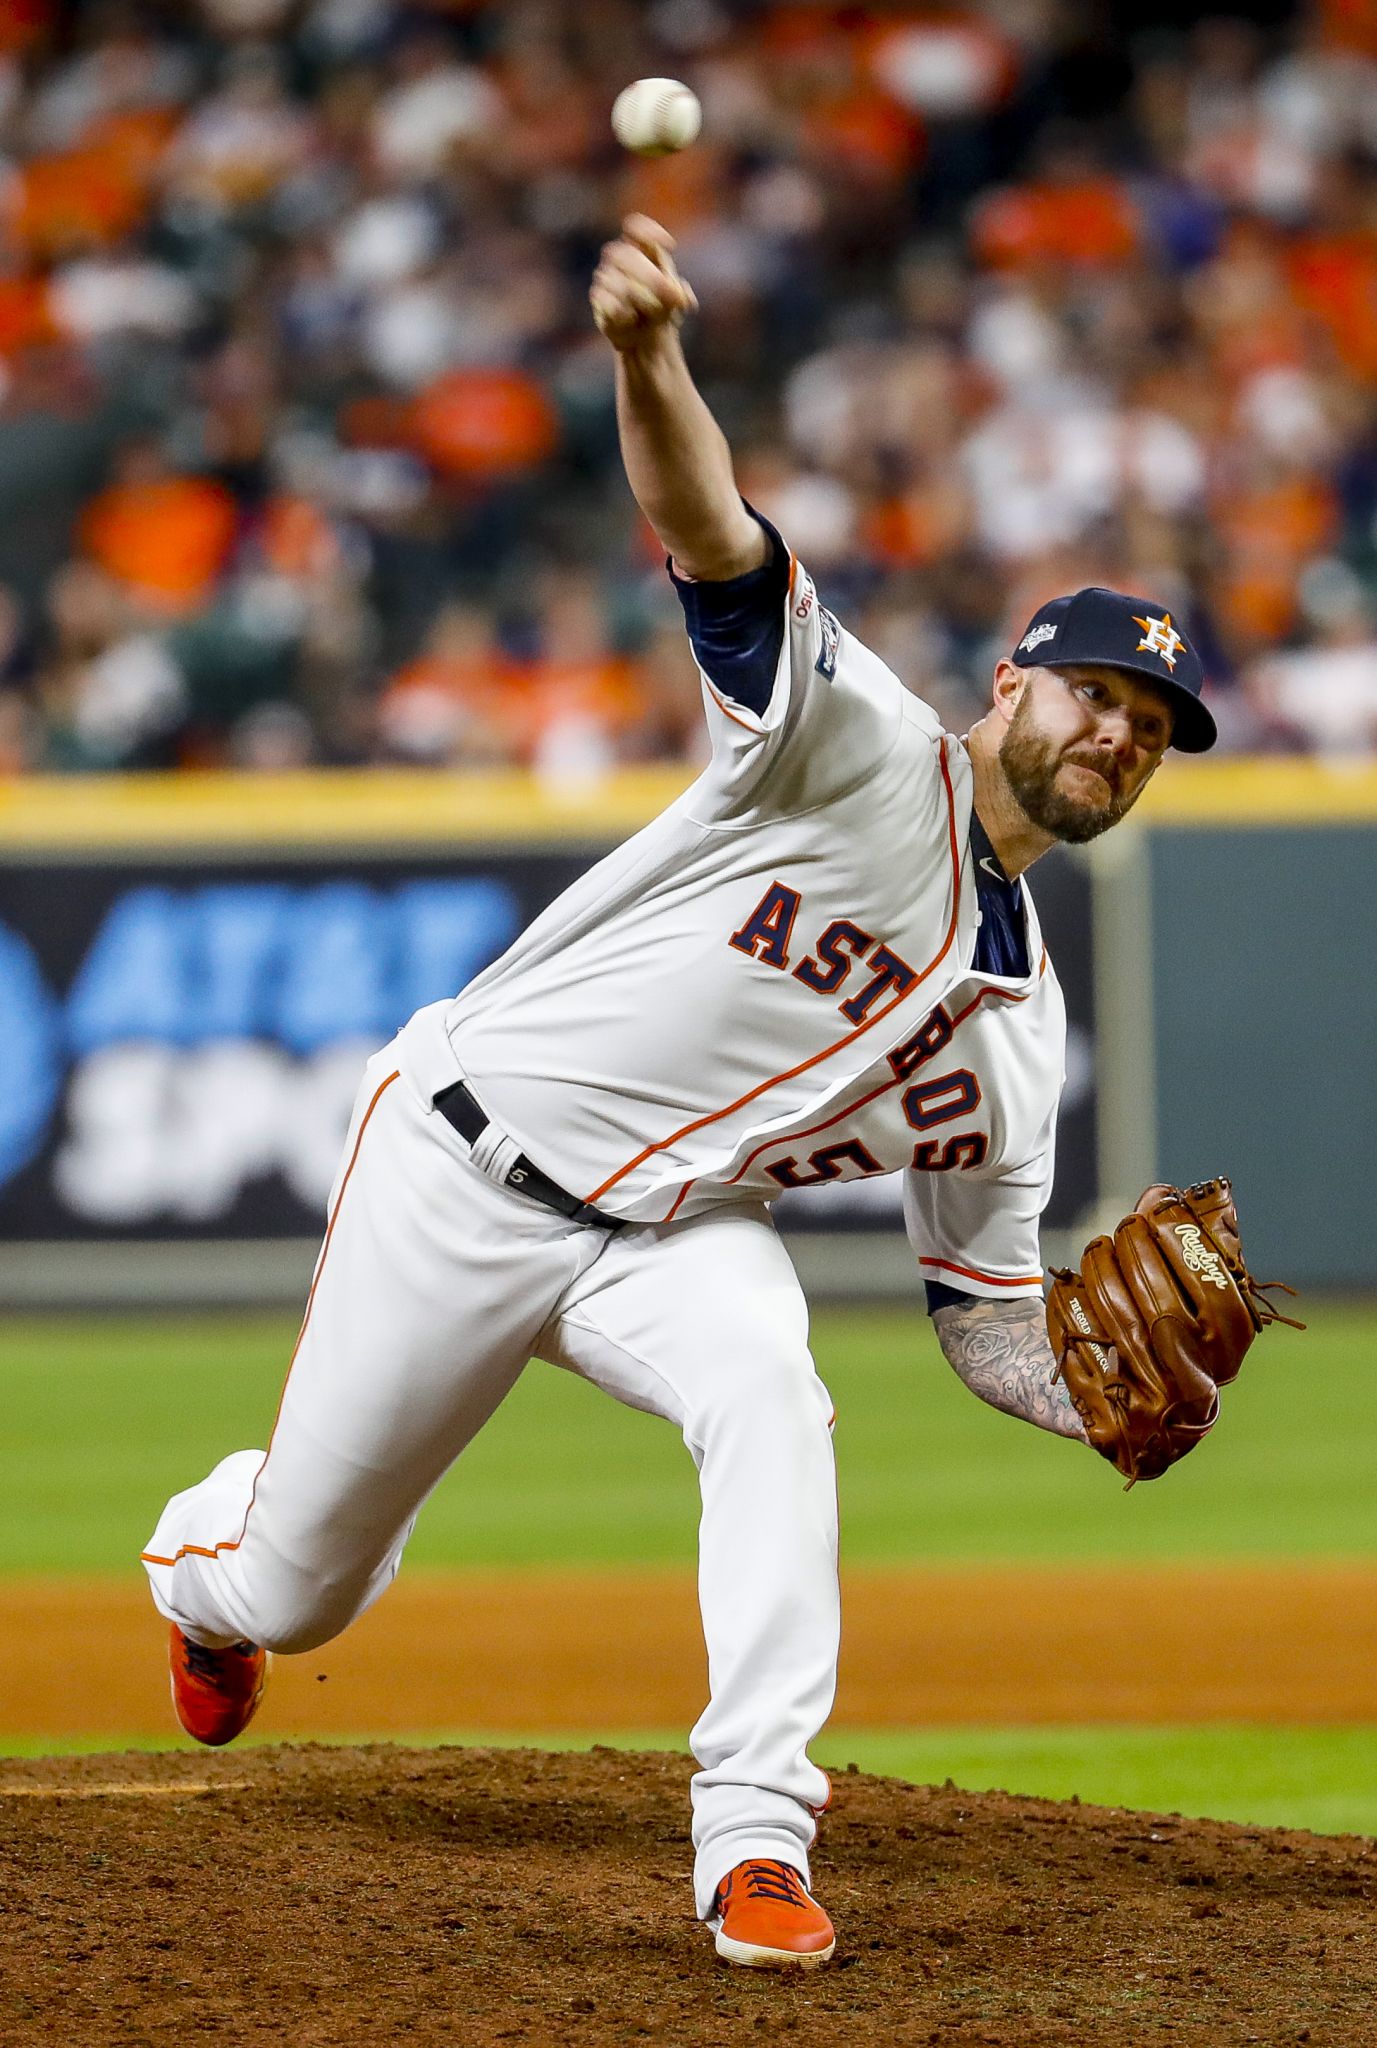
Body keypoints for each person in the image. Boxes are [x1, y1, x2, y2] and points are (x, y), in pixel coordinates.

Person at [142, 215, 1217, 1971]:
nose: (1116, 734)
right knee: (295, 1588)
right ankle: (207, 1562)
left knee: (776, 1407)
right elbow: (712, 535)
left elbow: (984, 1310)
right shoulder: (846, 737)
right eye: (1094, 693)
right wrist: (649, 359)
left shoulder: (1017, 1039)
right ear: (1009, 682)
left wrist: (1089, 1400)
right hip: (464, 1162)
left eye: (1150, 727)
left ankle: (753, 1844)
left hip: (672, 1236)